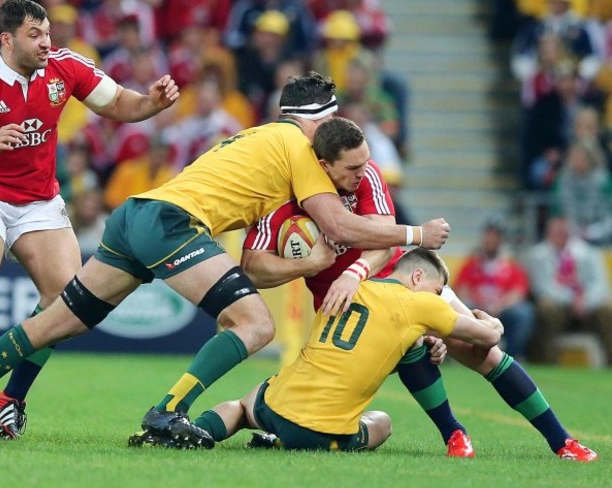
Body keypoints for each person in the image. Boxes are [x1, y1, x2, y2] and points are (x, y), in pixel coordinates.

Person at [0, 72, 451, 448]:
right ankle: (167, 412)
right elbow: (341, 226)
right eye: (331, 122)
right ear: (318, 121)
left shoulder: (260, 138)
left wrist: (304, 263)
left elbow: (260, 258)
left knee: (57, 321)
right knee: (255, 324)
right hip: (173, 224)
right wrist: (416, 233)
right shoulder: (300, 147)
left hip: (136, 215)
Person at [238, 121, 598, 461]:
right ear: (323, 165)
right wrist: (308, 265)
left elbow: (382, 236)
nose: (362, 173)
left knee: (483, 348)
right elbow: (252, 266)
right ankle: (454, 434)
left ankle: (562, 441)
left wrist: (354, 272)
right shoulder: (287, 195)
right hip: (349, 308)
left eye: (365, 163)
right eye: (351, 168)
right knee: (411, 345)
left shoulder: (367, 175)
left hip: (404, 277)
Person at [0, 0, 180, 440]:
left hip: (39, 198)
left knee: (66, 299)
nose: (46, 43)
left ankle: (11, 399)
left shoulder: (65, 67)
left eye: (48, 33)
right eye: (35, 35)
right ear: (6, 39)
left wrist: (151, 104)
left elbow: (117, 101)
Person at [147, 248, 502, 452]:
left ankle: (201, 431)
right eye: (438, 290)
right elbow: (484, 338)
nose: (440, 299)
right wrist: (494, 324)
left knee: (243, 406)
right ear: (418, 279)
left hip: (278, 402)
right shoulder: (422, 305)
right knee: (382, 422)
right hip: (322, 431)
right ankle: (287, 442)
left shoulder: (348, 289)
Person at [524, 216, 612, 365]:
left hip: (587, 305)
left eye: (563, 231)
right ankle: (547, 362)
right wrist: (572, 300)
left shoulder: (589, 252)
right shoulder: (537, 256)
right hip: (559, 305)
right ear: (548, 233)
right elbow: (542, 287)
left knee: (608, 309)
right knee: (546, 307)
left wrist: (585, 301)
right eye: (555, 232)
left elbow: (600, 284)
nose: (559, 235)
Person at [453, 217, 535, 359]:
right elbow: (461, 289)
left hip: (503, 309)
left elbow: (518, 292)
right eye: (488, 235)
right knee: (460, 308)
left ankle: (512, 356)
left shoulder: (511, 265)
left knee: (523, 313)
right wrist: (479, 304)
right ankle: (462, 353)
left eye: (495, 236)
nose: (490, 239)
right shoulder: (472, 264)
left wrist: (499, 305)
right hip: (476, 308)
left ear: (501, 239)